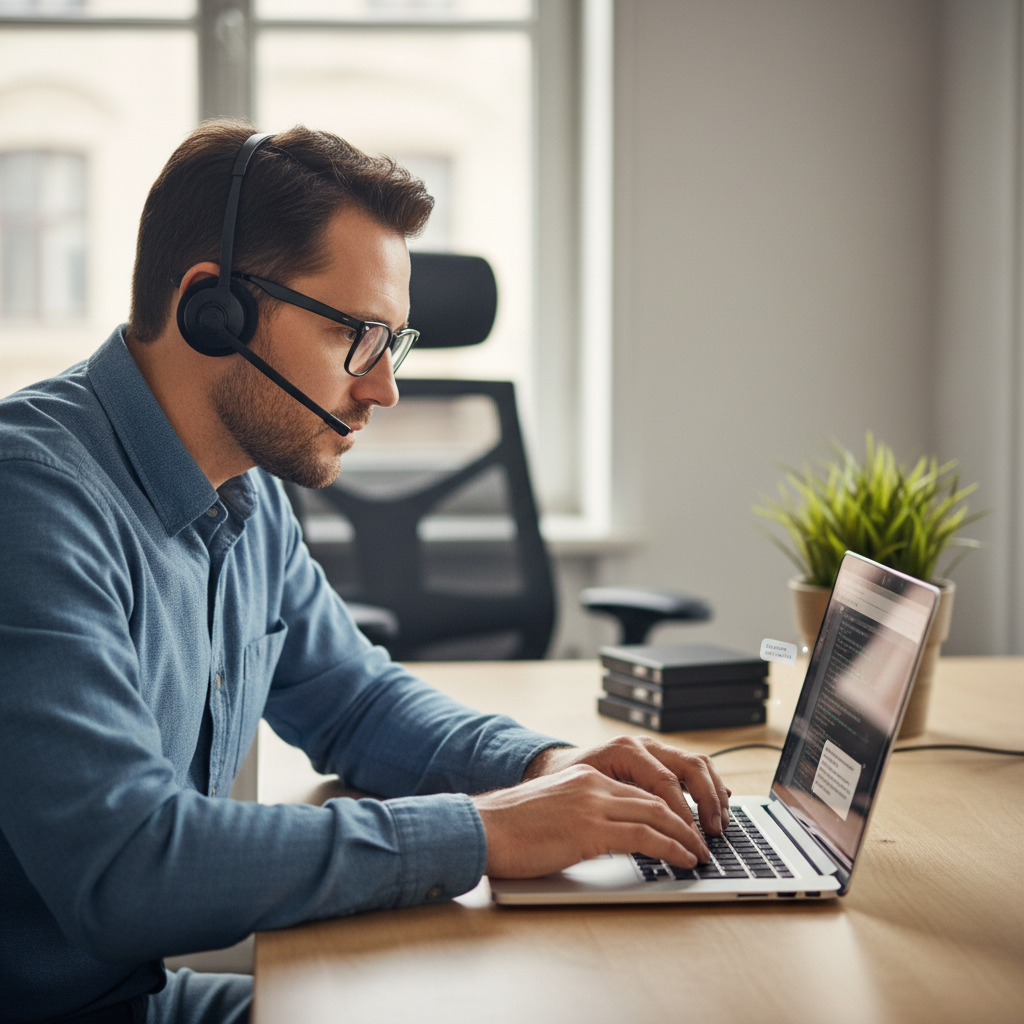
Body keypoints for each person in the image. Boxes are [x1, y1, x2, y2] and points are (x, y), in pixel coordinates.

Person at [0, 121, 730, 1024]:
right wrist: (487, 830)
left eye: (396, 342)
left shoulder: (243, 492)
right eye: (357, 336)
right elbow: (128, 868)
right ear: (211, 308)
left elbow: (355, 700)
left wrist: (546, 766)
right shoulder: (31, 502)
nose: (383, 387)